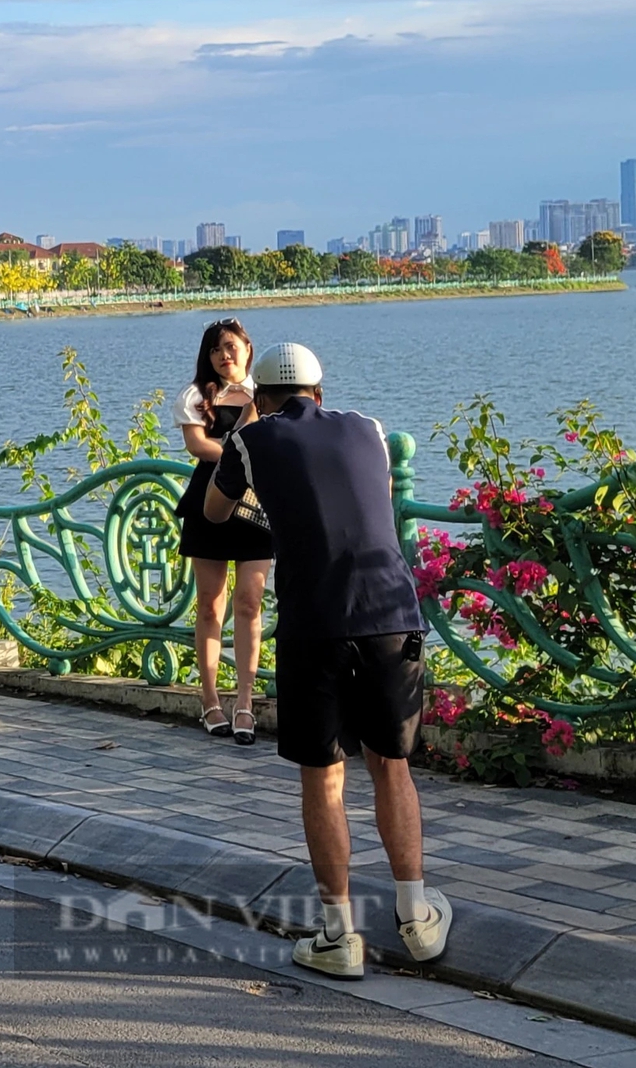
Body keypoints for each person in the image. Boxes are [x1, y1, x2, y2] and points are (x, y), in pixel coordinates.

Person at [204, 342, 450, 979]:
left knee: (323, 776)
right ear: (320, 390)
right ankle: (417, 919)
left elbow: (214, 511)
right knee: (391, 767)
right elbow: (378, 494)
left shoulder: (250, 441)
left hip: (315, 623)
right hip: (393, 613)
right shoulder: (367, 428)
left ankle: (340, 937)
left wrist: (266, 500)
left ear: (260, 398)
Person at [173, 318, 275, 744]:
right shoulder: (197, 396)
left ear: (249, 349)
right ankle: (210, 698)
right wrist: (240, 452)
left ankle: (246, 702)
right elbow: (198, 446)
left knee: (250, 602)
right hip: (209, 502)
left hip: (255, 507)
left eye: (231, 346)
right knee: (210, 606)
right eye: (216, 349)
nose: (224, 355)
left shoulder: (266, 395)